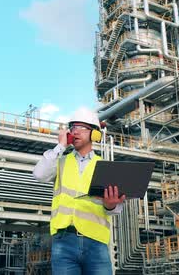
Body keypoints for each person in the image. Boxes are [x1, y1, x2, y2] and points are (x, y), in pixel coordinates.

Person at [33, 107, 126, 275]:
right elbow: (39, 174)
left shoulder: (105, 166)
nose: (74, 132)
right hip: (64, 242)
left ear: (94, 134)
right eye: (72, 127)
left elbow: (117, 209)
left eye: (80, 128)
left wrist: (111, 205)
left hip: (96, 243)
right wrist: (60, 146)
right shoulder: (60, 161)